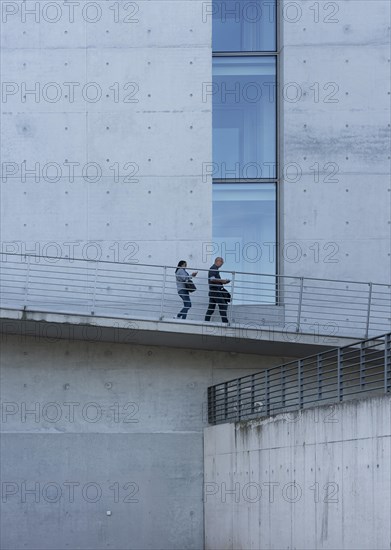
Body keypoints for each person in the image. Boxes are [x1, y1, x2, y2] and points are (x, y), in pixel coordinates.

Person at [204, 257, 230, 323]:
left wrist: (222, 281)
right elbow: (212, 279)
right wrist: (223, 281)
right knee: (223, 305)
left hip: (213, 291)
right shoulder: (213, 269)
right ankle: (225, 322)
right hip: (215, 291)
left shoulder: (214, 269)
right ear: (217, 261)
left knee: (211, 308)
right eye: (222, 262)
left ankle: (206, 321)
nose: (222, 264)